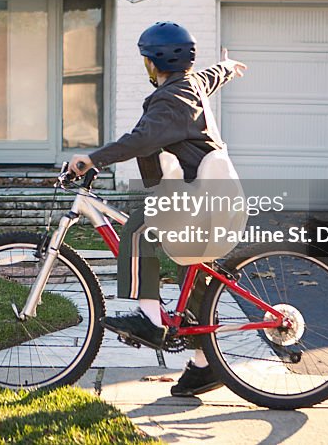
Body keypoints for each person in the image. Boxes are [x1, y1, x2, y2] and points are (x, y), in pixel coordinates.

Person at [69, 21, 247, 397]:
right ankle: (204, 366)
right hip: (215, 199)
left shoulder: (170, 100)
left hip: (205, 203)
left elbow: (141, 139)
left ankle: (149, 320)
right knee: (196, 274)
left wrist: (93, 159)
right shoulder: (190, 84)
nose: (145, 66)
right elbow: (210, 77)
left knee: (138, 226)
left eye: (147, 60)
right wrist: (227, 69)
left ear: (158, 61)